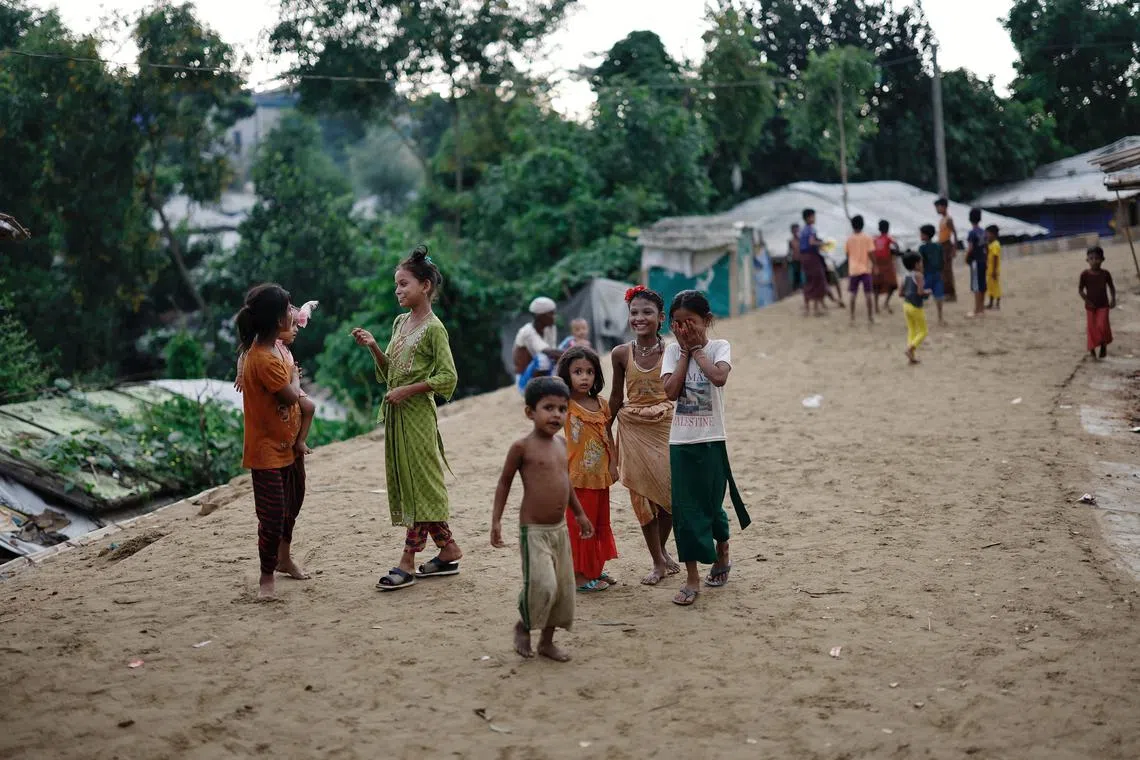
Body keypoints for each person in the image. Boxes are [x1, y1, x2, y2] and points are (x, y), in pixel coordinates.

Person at [351, 246, 462, 592]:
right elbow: (390, 375)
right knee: (414, 484)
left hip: (417, 416)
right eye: (397, 285)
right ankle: (448, 549)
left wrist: (407, 391)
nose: (398, 291)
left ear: (425, 286)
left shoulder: (434, 329)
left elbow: (448, 377)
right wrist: (373, 346)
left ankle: (407, 562)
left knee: (422, 486)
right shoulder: (401, 322)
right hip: (397, 416)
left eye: (403, 284)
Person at [492, 376, 594, 662]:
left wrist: (580, 513)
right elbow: (504, 483)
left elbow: (566, 482)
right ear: (530, 412)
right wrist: (496, 521)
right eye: (548, 408)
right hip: (534, 531)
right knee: (543, 585)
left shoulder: (562, 445)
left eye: (562, 409)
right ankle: (523, 625)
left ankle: (547, 642)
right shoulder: (521, 448)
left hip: (560, 530)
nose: (556, 415)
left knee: (562, 590)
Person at [661, 291, 750, 607]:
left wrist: (698, 350)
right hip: (680, 442)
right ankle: (692, 578)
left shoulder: (719, 347)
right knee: (685, 512)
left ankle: (722, 549)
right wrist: (684, 353)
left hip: (712, 440)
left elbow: (718, 377)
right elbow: (670, 392)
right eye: (678, 324)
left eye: (691, 323)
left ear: (707, 321)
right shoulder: (672, 352)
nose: (684, 330)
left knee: (712, 505)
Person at [236, 283, 307, 600]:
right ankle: (267, 577)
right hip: (266, 453)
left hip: (288, 446)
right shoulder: (263, 359)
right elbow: (290, 394)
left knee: (292, 504)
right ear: (276, 320)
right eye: (288, 309)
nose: (293, 313)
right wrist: (296, 377)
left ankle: (283, 558)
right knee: (272, 515)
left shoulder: (277, 348)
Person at [609, 286, 680, 586]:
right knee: (641, 499)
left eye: (647, 312)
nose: (640, 318)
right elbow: (615, 397)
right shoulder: (621, 354)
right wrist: (603, 430)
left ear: (661, 318)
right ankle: (657, 562)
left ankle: (662, 550)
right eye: (634, 313)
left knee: (669, 497)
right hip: (632, 429)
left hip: (666, 427)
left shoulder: (673, 351)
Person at [556, 346, 619, 592]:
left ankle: (592, 569)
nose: (584, 377)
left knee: (599, 522)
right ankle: (579, 577)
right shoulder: (565, 405)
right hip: (576, 478)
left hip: (600, 476)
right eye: (577, 372)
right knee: (579, 526)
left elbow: (607, 435)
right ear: (566, 375)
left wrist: (613, 463)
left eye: (590, 372)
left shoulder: (602, 404)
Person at [236, 300, 318, 455]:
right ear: (278, 326)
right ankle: (296, 441)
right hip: (284, 388)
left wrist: (294, 375)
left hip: (290, 385)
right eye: (292, 325)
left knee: (309, 407)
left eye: (296, 325)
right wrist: (241, 374)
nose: (296, 330)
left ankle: (300, 440)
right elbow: (244, 354)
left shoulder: (283, 349)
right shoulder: (268, 347)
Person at [514, 297, 561, 393]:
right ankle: (539, 391)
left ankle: (551, 385)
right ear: (539, 316)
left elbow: (555, 354)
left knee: (570, 342)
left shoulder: (551, 328)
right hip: (525, 383)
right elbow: (549, 352)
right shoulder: (527, 332)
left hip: (546, 372)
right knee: (543, 358)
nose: (554, 316)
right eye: (551, 313)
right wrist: (574, 354)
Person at [1080, 246, 1116, 360]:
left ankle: (1103, 345)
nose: (1094, 261)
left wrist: (1113, 299)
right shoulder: (1084, 274)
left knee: (1102, 326)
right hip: (1090, 307)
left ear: (1103, 259)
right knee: (1092, 329)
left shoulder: (1105, 274)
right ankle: (1092, 351)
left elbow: (1111, 287)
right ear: (1087, 260)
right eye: (1091, 258)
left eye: (1097, 258)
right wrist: (1087, 301)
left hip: (1103, 305)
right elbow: (1080, 290)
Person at [900, 253, 932, 365]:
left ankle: (911, 357)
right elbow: (920, 292)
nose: (922, 264)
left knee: (912, 330)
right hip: (916, 306)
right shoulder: (919, 275)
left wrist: (909, 292)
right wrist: (927, 292)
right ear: (916, 264)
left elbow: (900, 293)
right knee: (923, 331)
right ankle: (910, 349)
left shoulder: (905, 275)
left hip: (906, 305)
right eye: (921, 262)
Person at [845, 214, 876, 324]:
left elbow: (848, 254)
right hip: (865, 269)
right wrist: (875, 265)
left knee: (853, 294)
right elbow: (871, 253)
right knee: (868, 294)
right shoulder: (867, 238)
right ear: (863, 224)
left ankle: (852, 317)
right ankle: (870, 317)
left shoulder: (849, 239)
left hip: (853, 269)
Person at [799, 209, 828, 316]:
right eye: (813, 216)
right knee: (818, 280)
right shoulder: (811, 229)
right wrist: (821, 243)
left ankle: (807, 308)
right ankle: (816, 309)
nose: (814, 219)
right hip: (812, 257)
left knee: (809, 281)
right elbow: (811, 242)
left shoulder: (802, 230)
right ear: (808, 218)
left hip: (804, 257)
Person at [919, 224, 946, 326]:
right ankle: (940, 317)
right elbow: (942, 260)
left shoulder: (922, 248)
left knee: (921, 296)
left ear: (926, 235)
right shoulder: (938, 246)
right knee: (939, 296)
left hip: (927, 274)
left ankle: (919, 318)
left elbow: (921, 263)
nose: (920, 236)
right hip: (937, 273)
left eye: (921, 234)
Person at [872, 219, 900, 315]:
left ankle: (877, 306)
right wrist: (894, 253)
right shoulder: (888, 238)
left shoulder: (876, 239)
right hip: (886, 265)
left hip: (879, 265)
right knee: (891, 285)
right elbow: (896, 246)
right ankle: (885, 303)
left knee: (877, 285)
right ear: (888, 228)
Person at [935, 197, 958, 302]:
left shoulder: (948, 219)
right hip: (941, 245)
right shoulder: (941, 220)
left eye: (938, 207)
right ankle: (947, 292)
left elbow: (954, 233)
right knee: (943, 271)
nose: (937, 209)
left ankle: (951, 293)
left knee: (947, 270)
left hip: (947, 245)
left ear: (944, 207)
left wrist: (954, 248)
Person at [965, 209, 987, 318]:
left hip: (975, 261)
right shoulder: (983, 232)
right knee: (982, 285)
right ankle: (982, 308)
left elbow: (970, 248)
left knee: (976, 286)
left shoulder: (972, 233)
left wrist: (966, 258)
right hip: (983, 259)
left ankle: (977, 309)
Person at [985, 225, 1002, 311]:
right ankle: (991, 303)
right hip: (990, 269)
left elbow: (995, 257)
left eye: (988, 234)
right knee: (990, 287)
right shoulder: (992, 244)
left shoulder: (995, 245)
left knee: (995, 287)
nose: (987, 235)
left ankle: (997, 304)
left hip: (993, 270)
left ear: (993, 234)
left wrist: (994, 271)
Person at [788, 223, 804, 292]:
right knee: (796, 274)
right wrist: (787, 259)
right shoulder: (791, 241)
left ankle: (807, 287)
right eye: (794, 231)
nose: (796, 232)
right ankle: (797, 289)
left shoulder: (802, 239)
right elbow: (790, 251)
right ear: (792, 232)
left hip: (804, 259)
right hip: (795, 260)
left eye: (797, 230)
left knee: (806, 273)